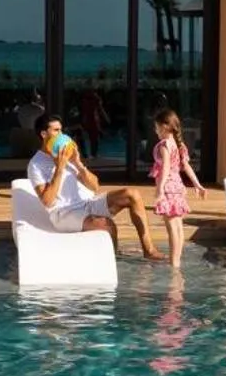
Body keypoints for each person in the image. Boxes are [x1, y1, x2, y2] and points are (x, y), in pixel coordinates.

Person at [27, 112, 160, 259]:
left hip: (87, 203)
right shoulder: (36, 164)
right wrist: (59, 167)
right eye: (56, 130)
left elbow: (94, 186)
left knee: (132, 194)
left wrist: (77, 163)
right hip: (63, 213)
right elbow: (47, 201)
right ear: (44, 134)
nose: (61, 134)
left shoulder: (66, 155)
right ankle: (112, 261)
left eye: (61, 130)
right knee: (107, 225)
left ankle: (149, 250)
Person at [149, 108, 205, 268]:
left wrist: (160, 189)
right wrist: (197, 184)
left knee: (172, 227)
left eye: (157, 127)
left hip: (168, 188)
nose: (155, 131)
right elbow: (186, 166)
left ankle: (174, 263)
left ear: (165, 126)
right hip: (178, 187)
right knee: (178, 225)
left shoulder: (164, 145)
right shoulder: (179, 145)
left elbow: (165, 167)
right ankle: (177, 260)